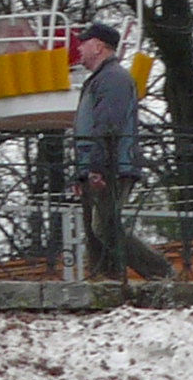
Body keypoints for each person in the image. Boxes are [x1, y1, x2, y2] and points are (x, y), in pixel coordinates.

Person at [70, 23, 171, 283]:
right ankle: (106, 281)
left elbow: (108, 126)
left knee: (104, 228)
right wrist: (81, 173)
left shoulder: (113, 78)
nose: (79, 48)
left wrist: (95, 169)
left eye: (84, 42)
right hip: (101, 165)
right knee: (96, 233)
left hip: (112, 166)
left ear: (98, 46)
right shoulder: (103, 78)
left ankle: (160, 272)